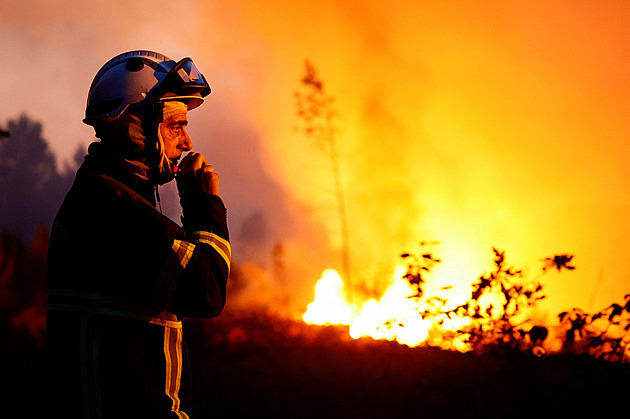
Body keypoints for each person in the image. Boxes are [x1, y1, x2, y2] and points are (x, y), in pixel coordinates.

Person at [46, 50, 231, 418]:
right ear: (132, 125)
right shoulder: (109, 207)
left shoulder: (114, 198)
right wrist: (203, 205)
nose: (187, 143)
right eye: (176, 126)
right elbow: (206, 291)